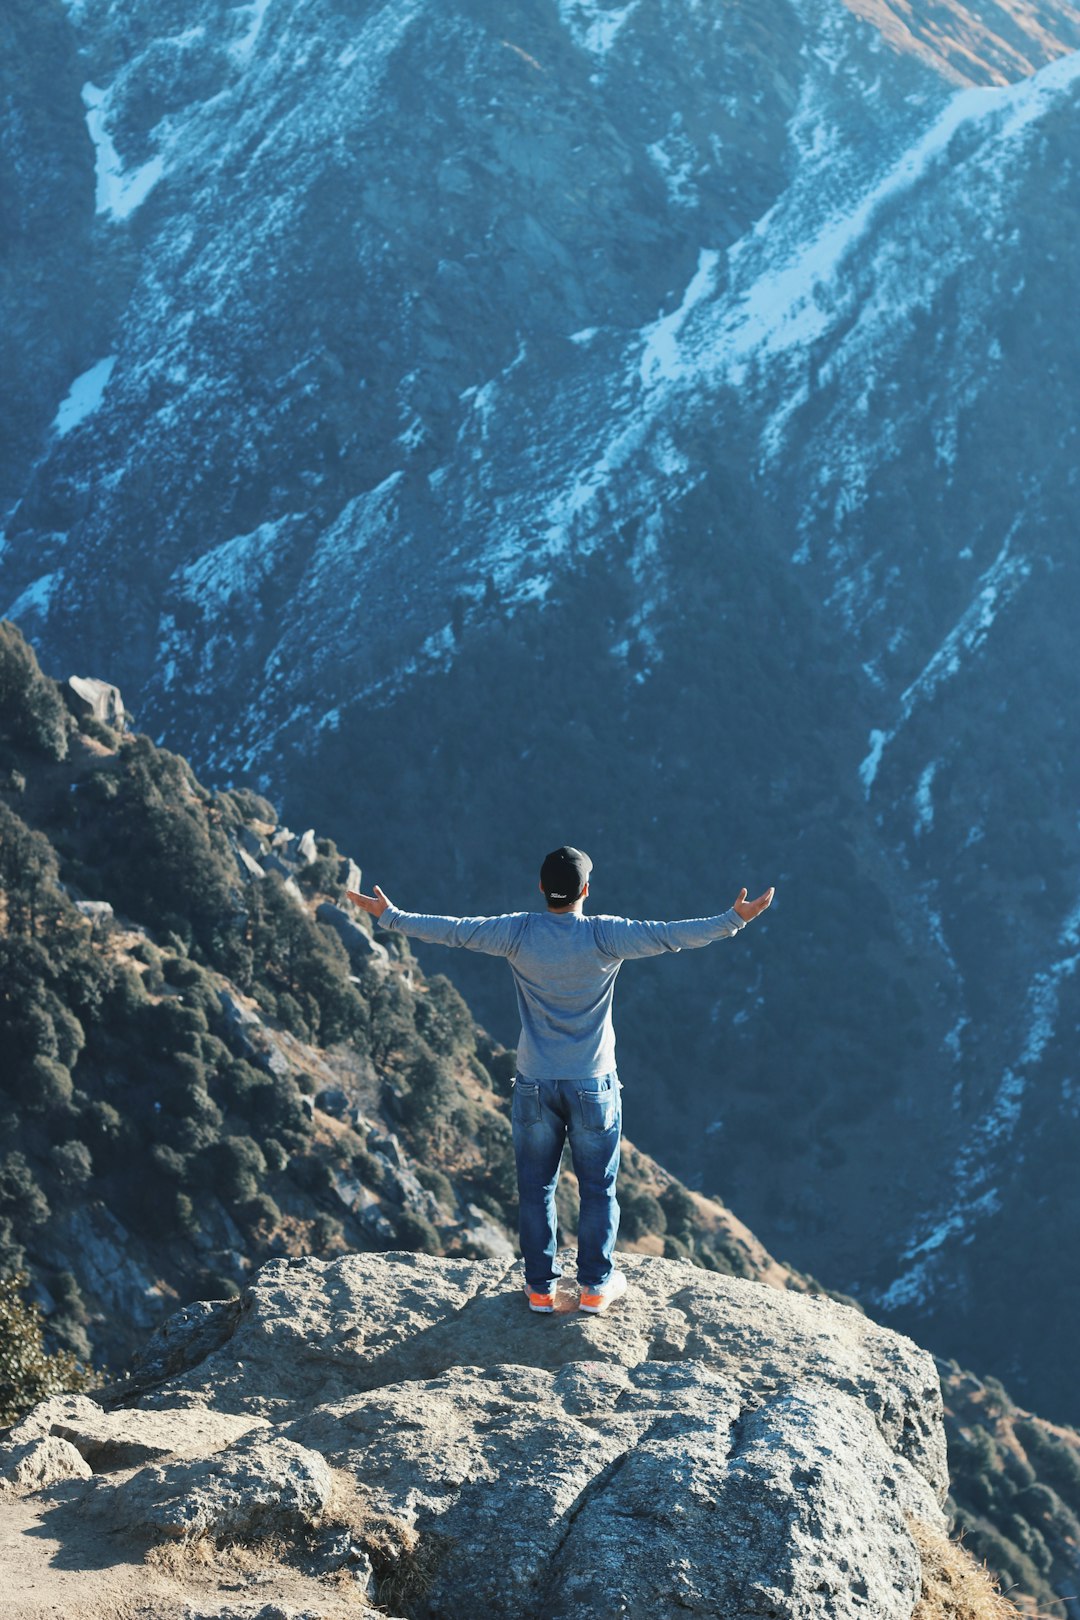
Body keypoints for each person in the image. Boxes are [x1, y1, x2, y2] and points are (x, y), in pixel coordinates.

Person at [347, 847, 774, 1315]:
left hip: (534, 1082)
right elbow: (672, 936)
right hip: (593, 1083)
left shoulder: (517, 931)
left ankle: (540, 1291)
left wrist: (390, 916)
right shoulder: (605, 935)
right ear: (585, 890)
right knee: (597, 1189)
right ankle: (594, 1288)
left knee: (536, 1189)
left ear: (540, 888)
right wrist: (735, 918)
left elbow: (453, 931)